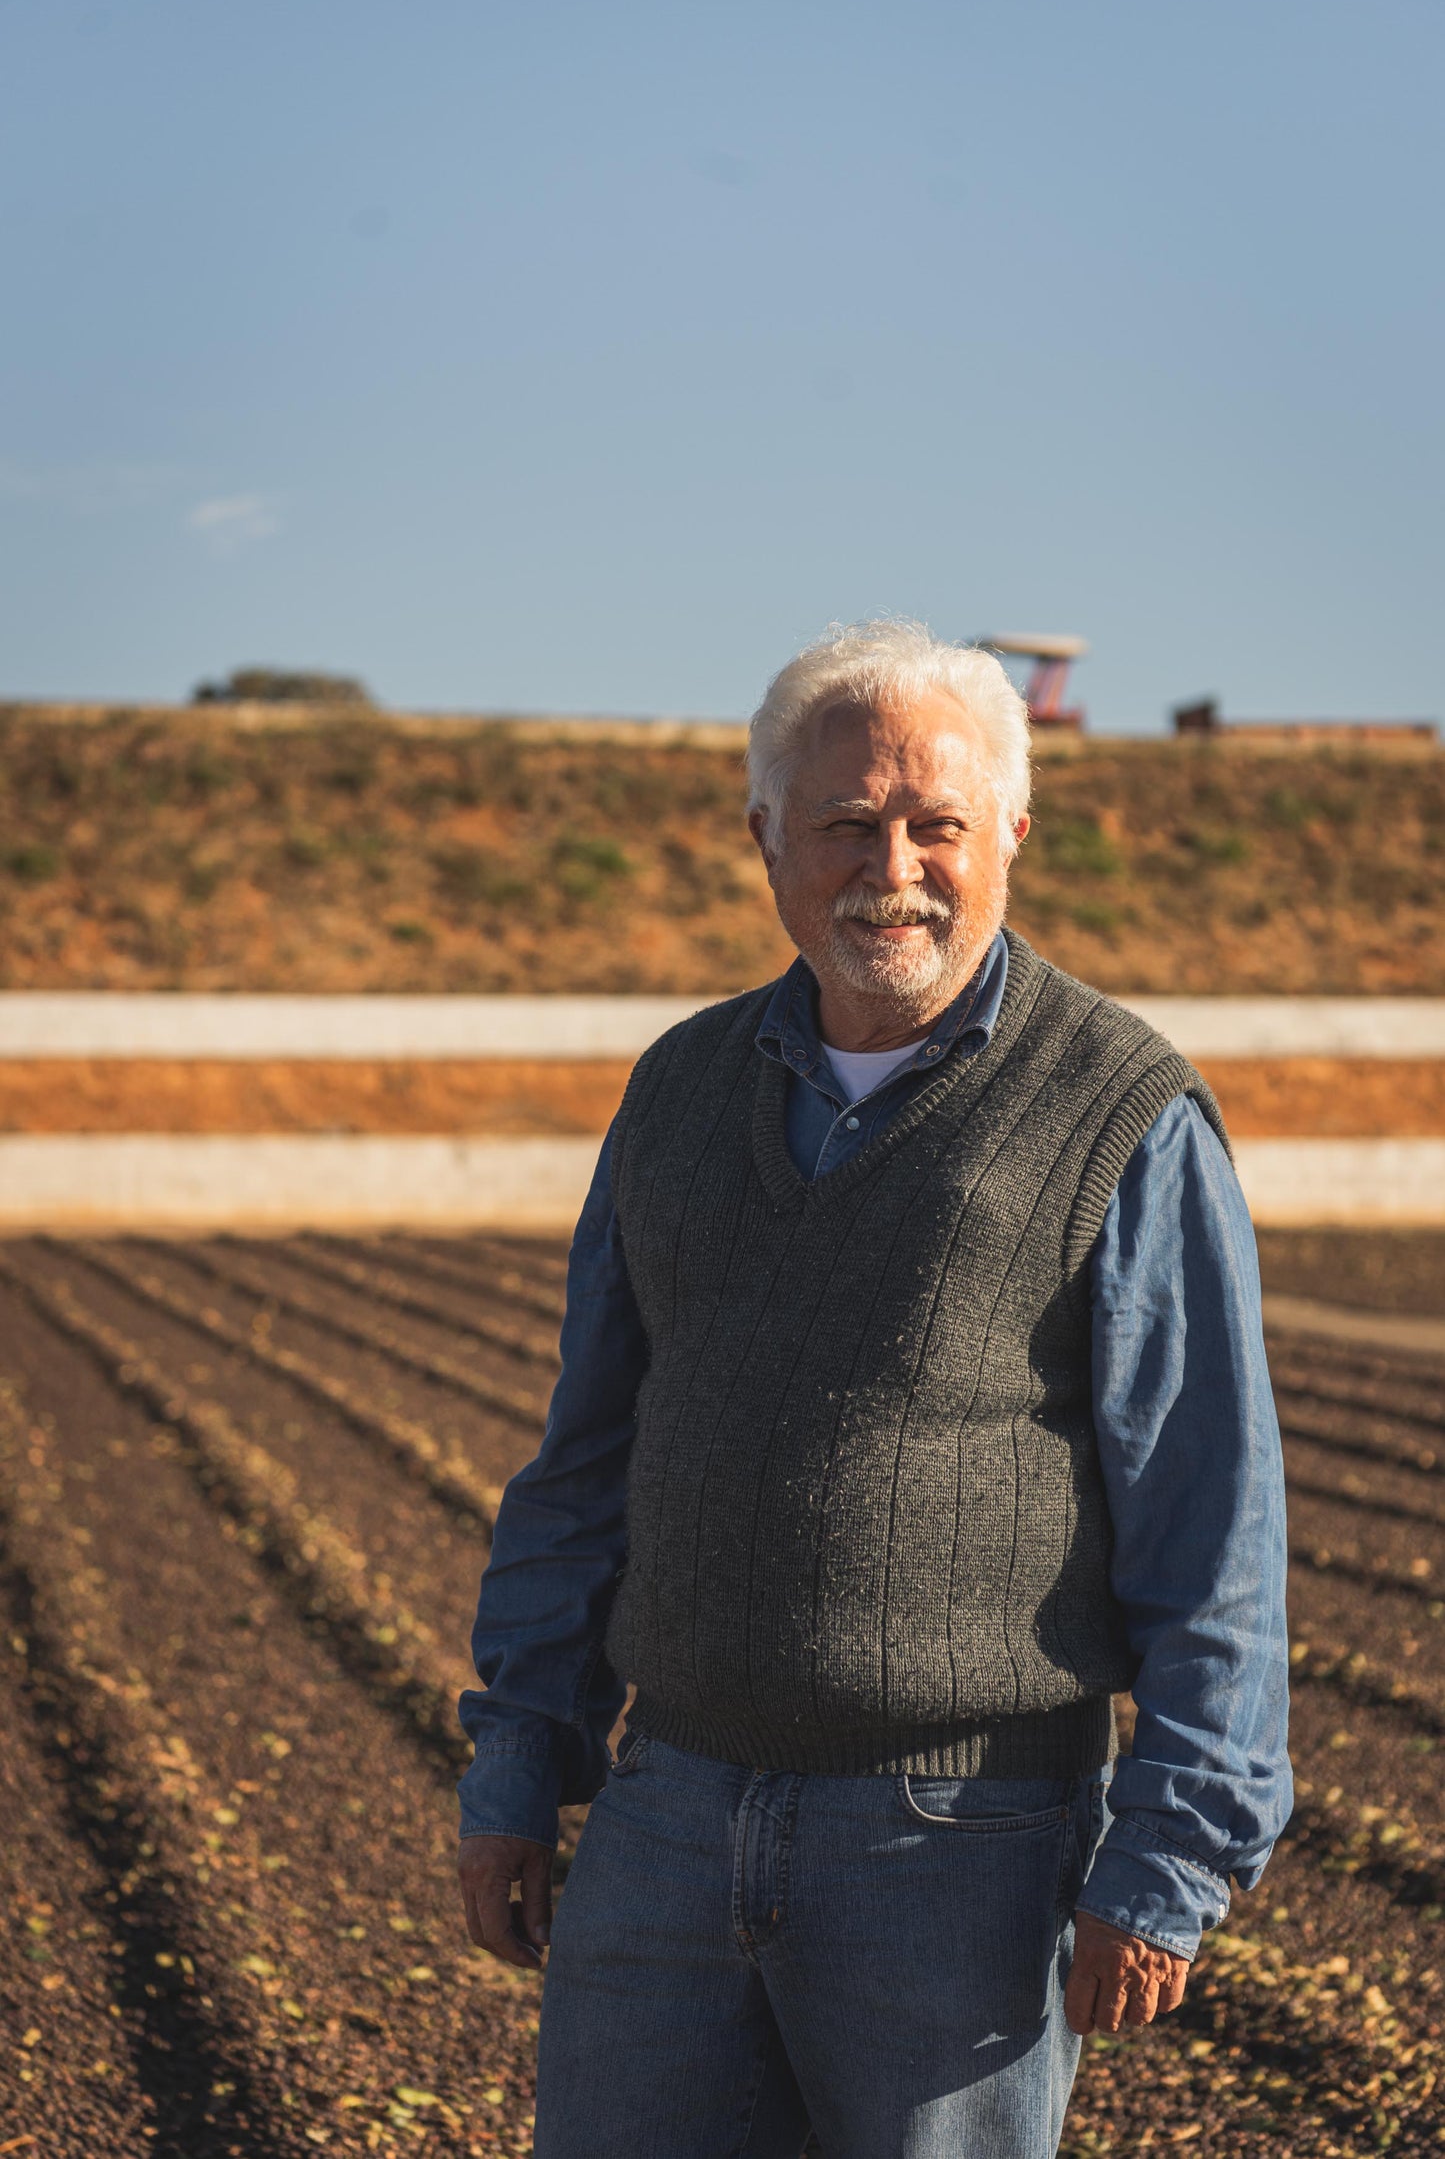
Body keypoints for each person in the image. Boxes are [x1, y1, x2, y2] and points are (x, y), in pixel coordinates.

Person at [455, 619, 1292, 2158]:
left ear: (1011, 835)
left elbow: (1209, 1516)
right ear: (764, 836)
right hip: (666, 1816)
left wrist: (1167, 1859)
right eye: (842, 822)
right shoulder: (679, 1091)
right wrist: (519, 1753)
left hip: (960, 1846)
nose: (887, 863)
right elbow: (586, 1462)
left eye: (935, 823)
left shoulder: (1121, 1108)